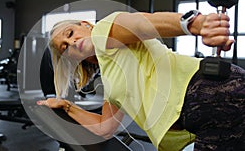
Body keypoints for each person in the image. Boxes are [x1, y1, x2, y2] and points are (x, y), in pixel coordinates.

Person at [37, 11, 245, 150]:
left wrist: (194, 23)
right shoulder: (110, 77)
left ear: (86, 25)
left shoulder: (104, 30)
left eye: (70, 33)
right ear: (72, 58)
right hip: (205, 118)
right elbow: (105, 127)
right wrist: (66, 106)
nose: (71, 42)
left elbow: (140, 23)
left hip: (217, 93)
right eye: (65, 47)